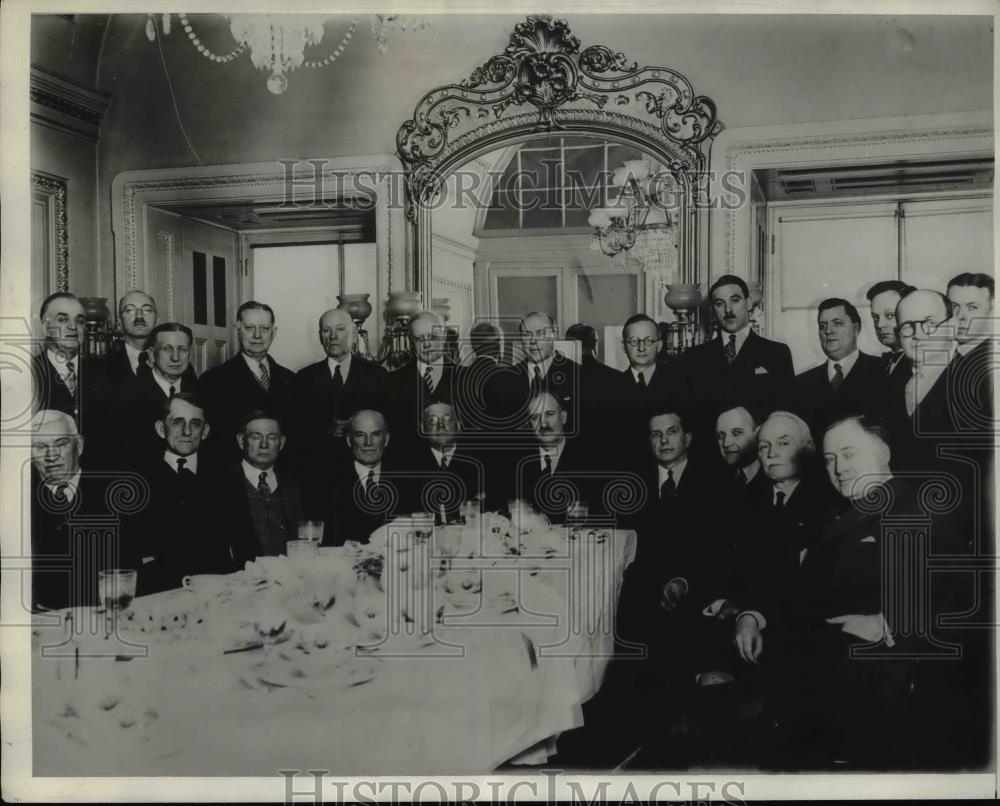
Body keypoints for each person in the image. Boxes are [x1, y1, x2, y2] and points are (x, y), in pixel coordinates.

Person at [783, 415, 971, 768]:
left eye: (849, 453)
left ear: (883, 453)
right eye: (829, 458)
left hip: (883, 698)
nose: (839, 467)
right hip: (823, 688)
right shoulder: (831, 518)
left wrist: (887, 621)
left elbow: (962, 603)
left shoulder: (922, 511)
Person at [28, 410, 142, 611]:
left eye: (61, 444)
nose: (51, 456)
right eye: (40, 447)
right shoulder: (20, 503)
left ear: (79, 445)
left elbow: (129, 574)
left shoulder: (116, 497)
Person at [132, 393, 236, 593]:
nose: (187, 431)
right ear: (161, 429)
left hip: (215, 591)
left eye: (195, 424)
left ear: (205, 431)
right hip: (159, 594)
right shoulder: (138, 481)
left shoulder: (224, 478)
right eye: (177, 422)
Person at [679, 275, 794, 449]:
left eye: (735, 300)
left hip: (759, 455)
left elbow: (786, 415)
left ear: (748, 303)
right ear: (712, 310)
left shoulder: (776, 353)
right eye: (719, 303)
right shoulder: (694, 358)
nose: (728, 309)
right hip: (711, 458)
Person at [199, 301, 297, 468]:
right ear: (237, 330)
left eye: (264, 329)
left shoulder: (292, 380)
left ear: (274, 332)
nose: (257, 335)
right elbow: (211, 443)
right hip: (233, 479)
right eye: (249, 328)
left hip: (284, 481)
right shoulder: (213, 380)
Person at [294, 307, 387, 475]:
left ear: (353, 333)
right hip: (319, 471)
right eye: (326, 330)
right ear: (320, 336)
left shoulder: (376, 375)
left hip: (364, 472)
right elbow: (297, 431)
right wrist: (327, 428)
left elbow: (386, 426)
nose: (333, 336)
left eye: (340, 329)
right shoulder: (304, 378)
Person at [212, 411, 304, 564]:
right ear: (241, 441)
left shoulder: (293, 486)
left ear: (281, 443)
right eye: (256, 437)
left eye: (272, 437)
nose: (264, 444)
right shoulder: (219, 484)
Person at [307, 410, 404, 546]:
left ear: (386, 439)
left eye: (375, 434)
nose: (368, 442)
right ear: (348, 440)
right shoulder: (326, 484)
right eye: (360, 435)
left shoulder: (406, 482)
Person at [792, 297, 887, 435]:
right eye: (822, 325)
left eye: (837, 323)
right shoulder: (801, 383)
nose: (828, 331)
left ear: (856, 329)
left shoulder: (883, 370)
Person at [488, 311, 583, 438]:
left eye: (540, 333)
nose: (533, 341)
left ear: (554, 334)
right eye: (527, 335)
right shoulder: (504, 380)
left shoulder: (578, 375)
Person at [611, 314, 687, 464]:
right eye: (634, 341)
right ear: (623, 346)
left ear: (659, 345)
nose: (641, 347)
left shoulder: (680, 383)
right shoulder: (611, 388)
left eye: (648, 341)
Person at [512, 391, 597, 523]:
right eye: (535, 418)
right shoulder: (515, 462)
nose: (543, 424)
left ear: (563, 417)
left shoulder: (590, 461)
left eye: (550, 414)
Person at [381, 311, 458, 455]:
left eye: (432, 337)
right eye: (419, 338)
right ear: (410, 341)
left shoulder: (466, 378)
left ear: (444, 335)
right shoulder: (392, 381)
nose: (427, 344)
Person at [125, 322, 199, 462]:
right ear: (152, 355)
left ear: (190, 355)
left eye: (182, 349)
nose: (175, 357)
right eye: (167, 349)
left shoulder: (200, 394)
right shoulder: (130, 395)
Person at [31, 293, 101, 435]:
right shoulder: (29, 372)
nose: (73, 326)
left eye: (80, 321)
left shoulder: (102, 372)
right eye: (62, 319)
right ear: (45, 327)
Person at [406, 402, 490, 521]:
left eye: (448, 419)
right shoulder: (409, 468)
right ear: (423, 428)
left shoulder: (481, 464)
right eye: (432, 420)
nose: (441, 425)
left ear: (459, 425)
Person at [715, 405, 769, 502]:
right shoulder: (715, 481)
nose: (726, 443)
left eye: (736, 433)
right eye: (720, 436)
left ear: (758, 433)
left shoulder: (777, 478)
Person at [866, 280, 914, 380]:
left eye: (890, 315)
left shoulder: (919, 363)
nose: (879, 325)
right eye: (875, 317)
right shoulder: (884, 363)